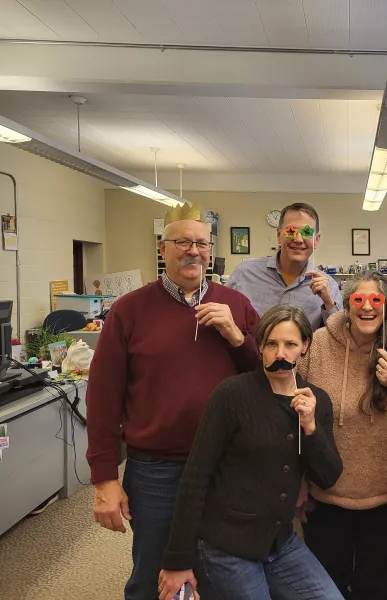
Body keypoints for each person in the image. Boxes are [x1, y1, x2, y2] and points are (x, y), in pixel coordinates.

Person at [86, 202, 260, 600]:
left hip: (226, 466)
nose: (193, 251)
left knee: (222, 572)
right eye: (182, 242)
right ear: (163, 250)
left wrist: (238, 337)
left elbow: (264, 380)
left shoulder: (237, 305)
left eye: (201, 243)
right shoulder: (130, 310)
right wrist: (104, 478)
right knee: (155, 574)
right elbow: (103, 397)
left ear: (210, 251)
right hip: (156, 470)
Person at [158, 304, 344, 600]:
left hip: (280, 543)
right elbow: (195, 477)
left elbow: (329, 476)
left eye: (290, 344)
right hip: (227, 544)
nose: (280, 354)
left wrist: (310, 428)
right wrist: (177, 560)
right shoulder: (232, 394)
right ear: (260, 347)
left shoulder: (316, 399)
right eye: (272, 344)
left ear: (305, 347)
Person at [297, 271, 387, 600]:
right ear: (347, 304)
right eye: (359, 300)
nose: (368, 307)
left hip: (386, 497)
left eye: (376, 300)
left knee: (377, 588)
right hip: (327, 496)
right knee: (328, 588)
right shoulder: (318, 345)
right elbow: (292, 415)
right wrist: (297, 482)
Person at [227, 202, 342, 330]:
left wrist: (329, 303)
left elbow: (339, 337)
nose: (298, 239)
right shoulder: (244, 274)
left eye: (307, 232)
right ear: (278, 235)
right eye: (291, 231)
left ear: (316, 240)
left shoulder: (330, 287)